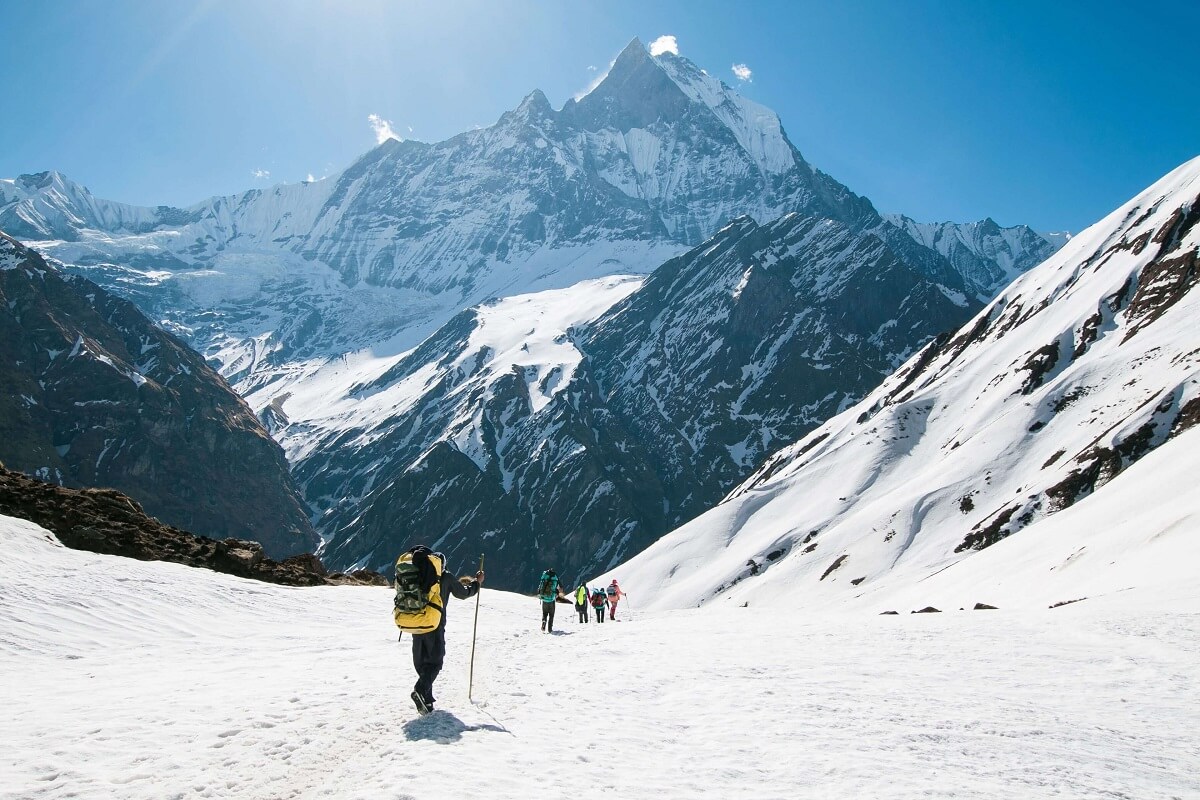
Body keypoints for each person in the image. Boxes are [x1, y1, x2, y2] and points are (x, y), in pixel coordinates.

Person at [409, 549, 483, 715]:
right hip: (435, 626)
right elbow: (464, 593)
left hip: (416, 625)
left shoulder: (418, 574)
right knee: (435, 662)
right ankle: (420, 690)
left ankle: (427, 701)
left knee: (422, 664)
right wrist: (477, 583)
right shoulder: (446, 577)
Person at [537, 567, 560, 633]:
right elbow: (556, 589)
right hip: (551, 600)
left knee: (544, 613)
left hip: (544, 598)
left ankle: (544, 621)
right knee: (551, 615)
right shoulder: (555, 578)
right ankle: (550, 629)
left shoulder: (544, 576)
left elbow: (540, 586)